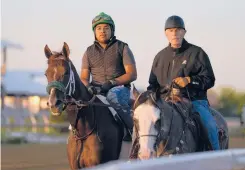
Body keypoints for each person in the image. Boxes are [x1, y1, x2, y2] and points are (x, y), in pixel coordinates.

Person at [147, 15, 220, 150]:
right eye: (171, 30)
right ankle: (137, 156)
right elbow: (152, 84)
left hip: (194, 101)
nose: (175, 33)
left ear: (184, 32)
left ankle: (217, 161)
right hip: (164, 103)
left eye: (178, 30)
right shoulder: (159, 57)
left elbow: (209, 79)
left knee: (209, 125)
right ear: (165, 33)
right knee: (143, 125)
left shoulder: (197, 53)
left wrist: (189, 80)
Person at [80, 12, 137, 140]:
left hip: (120, 89)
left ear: (112, 30)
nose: (102, 31)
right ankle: (77, 136)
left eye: (106, 28)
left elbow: (132, 74)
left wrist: (112, 83)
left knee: (112, 95)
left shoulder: (123, 47)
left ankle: (132, 131)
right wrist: (89, 87)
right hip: (96, 90)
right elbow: (83, 78)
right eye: (99, 28)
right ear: (94, 31)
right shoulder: (88, 52)